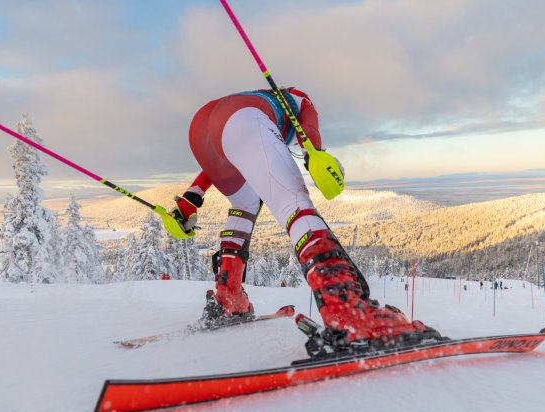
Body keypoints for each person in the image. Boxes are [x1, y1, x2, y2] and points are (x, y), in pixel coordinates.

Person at [170, 87, 439, 349]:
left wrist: (192, 196)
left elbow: (233, 144)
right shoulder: (300, 99)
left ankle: (229, 297)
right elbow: (307, 129)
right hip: (238, 118)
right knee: (295, 201)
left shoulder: (263, 103)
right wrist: (315, 153)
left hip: (202, 131)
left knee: (245, 203)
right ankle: (347, 313)